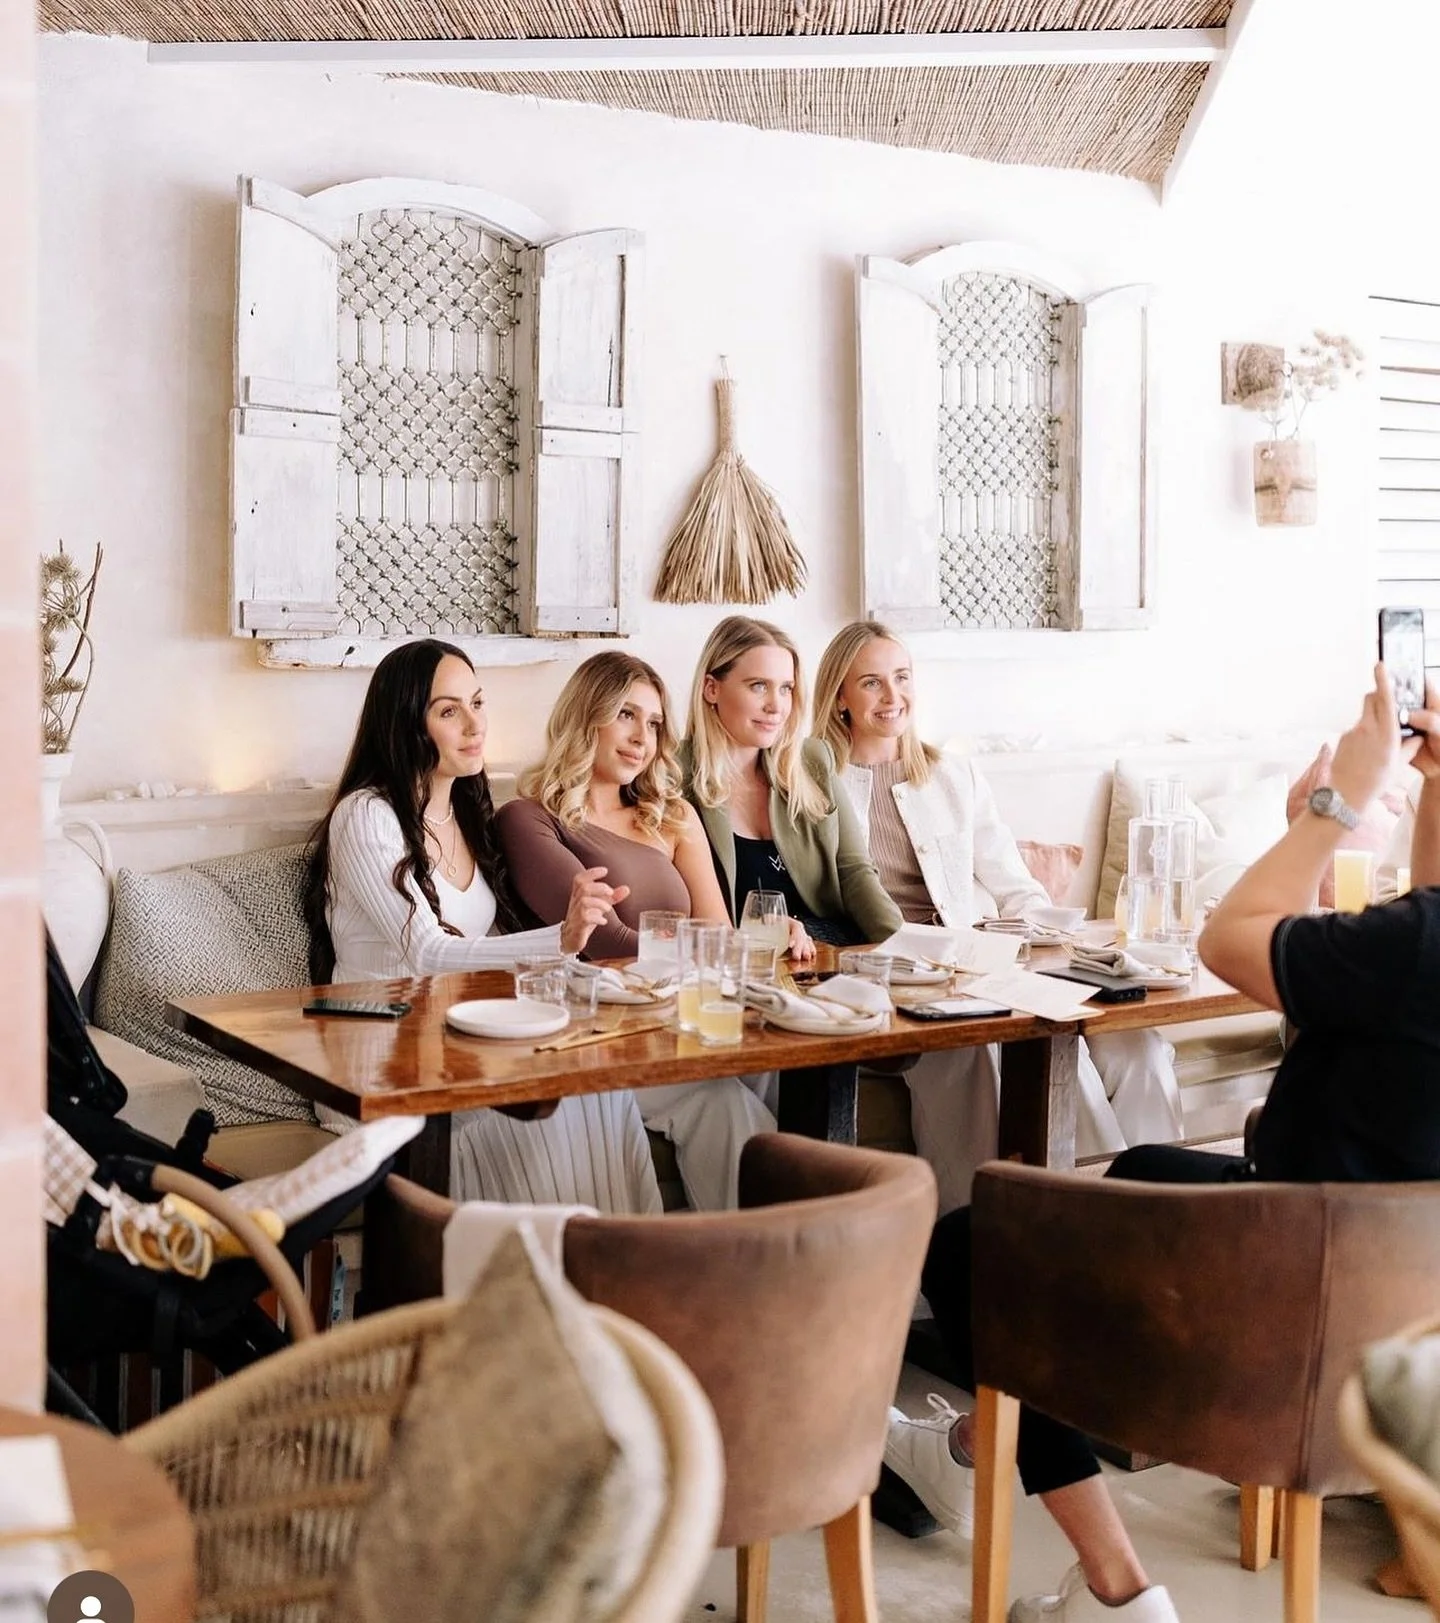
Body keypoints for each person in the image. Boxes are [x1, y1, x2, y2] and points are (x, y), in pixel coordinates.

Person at [886, 665, 1439, 1622]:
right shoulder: (1421, 945)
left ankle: (1117, 1587)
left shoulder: (1416, 944)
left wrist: (1331, 804)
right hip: (1402, 1293)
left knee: (977, 1236)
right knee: (1141, 1168)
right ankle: (982, 1434)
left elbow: (1233, 939)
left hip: (1298, 1295)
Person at [813, 621, 1183, 1204]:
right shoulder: (814, 785)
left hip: (990, 959)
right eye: (871, 683)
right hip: (904, 981)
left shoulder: (952, 775)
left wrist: (1064, 945)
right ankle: (1077, 1218)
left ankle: (1165, 1215)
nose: (892, 698)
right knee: (998, 1049)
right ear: (840, 697)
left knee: (1140, 1047)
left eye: (902, 678)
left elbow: (1015, 885)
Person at [302, 638, 662, 1213]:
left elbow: (487, 946)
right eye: (449, 711)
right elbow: (425, 951)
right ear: (406, 724)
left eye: (477, 702)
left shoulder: (467, 813)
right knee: (550, 1113)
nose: (475, 723)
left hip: (454, 1042)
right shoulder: (365, 816)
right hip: (376, 1058)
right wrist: (562, 939)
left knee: (601, 1087)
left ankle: (614, 1275)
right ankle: (541, 1278)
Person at [498, 651, 776, 1210]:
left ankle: (795, 1256)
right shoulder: (528, 819)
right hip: (603, 1031)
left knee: (784, 1056)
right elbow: (600, 938)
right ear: (586, 717)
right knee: (726, 1105)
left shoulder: (672, 815)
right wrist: (698, 956)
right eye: (625, 715)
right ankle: (759, 1267)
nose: (641, 738)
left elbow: (719, 934)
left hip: (684, 1014)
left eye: (653, 724)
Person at [682, 615, 902, 953]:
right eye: (758, 686)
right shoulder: (673, 778)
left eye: (786, 688)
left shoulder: (812, 760)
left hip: (832, 950)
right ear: (712, 688)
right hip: (741, 957)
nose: (776, 706)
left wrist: (904, 948)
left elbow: (855, 872)